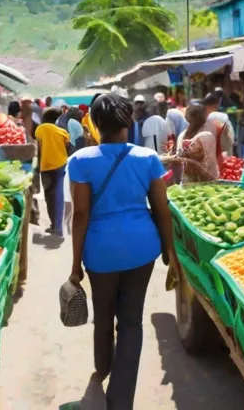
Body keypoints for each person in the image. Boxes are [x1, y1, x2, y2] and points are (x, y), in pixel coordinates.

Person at [67, 93, 173, 409]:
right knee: (130, 321)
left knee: (104, 314)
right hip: (142, 249)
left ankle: (103, 366)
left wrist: (75, 265)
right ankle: (121, 397)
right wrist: (169, 252)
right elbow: (162, 209)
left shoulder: (81, 161)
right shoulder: (148, 158)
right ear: (128, 123)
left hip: (100, 252)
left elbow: (81, 215)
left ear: (95, 124)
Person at [35, 107, 70, 237]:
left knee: (50, 196)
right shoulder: (62, 131)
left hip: (46, 167)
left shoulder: (40, 129)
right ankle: (59, 227)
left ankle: (54, 225)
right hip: (62, 165)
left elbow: (38, 149)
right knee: (60, 196)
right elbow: (67, 145)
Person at [162, 104, 219, 183]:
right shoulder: (206, 135)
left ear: (186, 118)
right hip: (205, 180)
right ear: (204, 118)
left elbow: (181, 159)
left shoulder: (184, 136)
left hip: (192, 180)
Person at [202, 92, 235, 159]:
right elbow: (231, 137)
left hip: (209, 152)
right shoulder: (222, 116)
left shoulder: (203, 117)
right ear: (216, 105)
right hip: (223, 151)